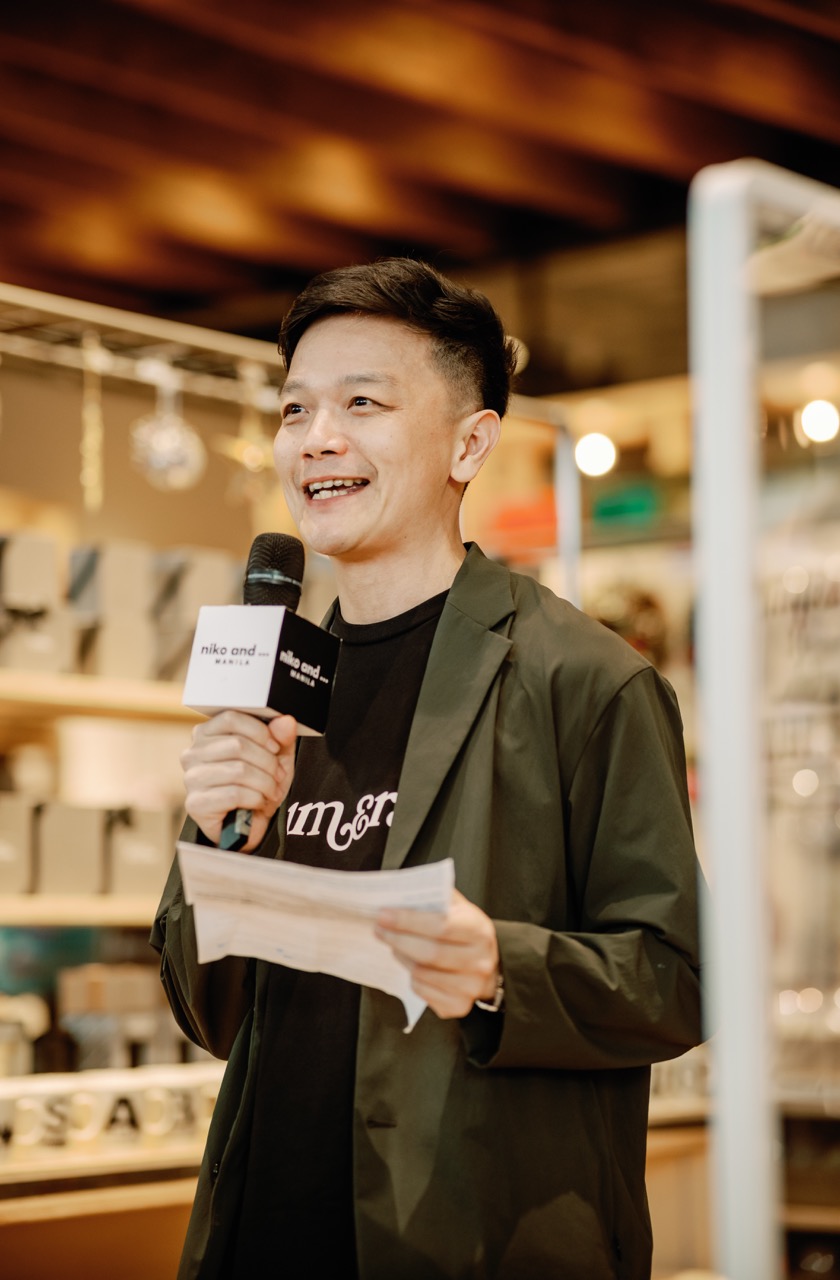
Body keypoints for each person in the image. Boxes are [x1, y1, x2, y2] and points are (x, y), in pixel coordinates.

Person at [151, 259, 704, 1280]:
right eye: (295, 408)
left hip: (473, 1240)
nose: (316, 437)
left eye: (361, 403)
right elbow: (212, 1012)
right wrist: (222, 838)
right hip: (261, 1234)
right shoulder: (277, 679)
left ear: (469, 443)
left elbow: (674, 980)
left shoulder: (583, 680)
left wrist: (497, 967)